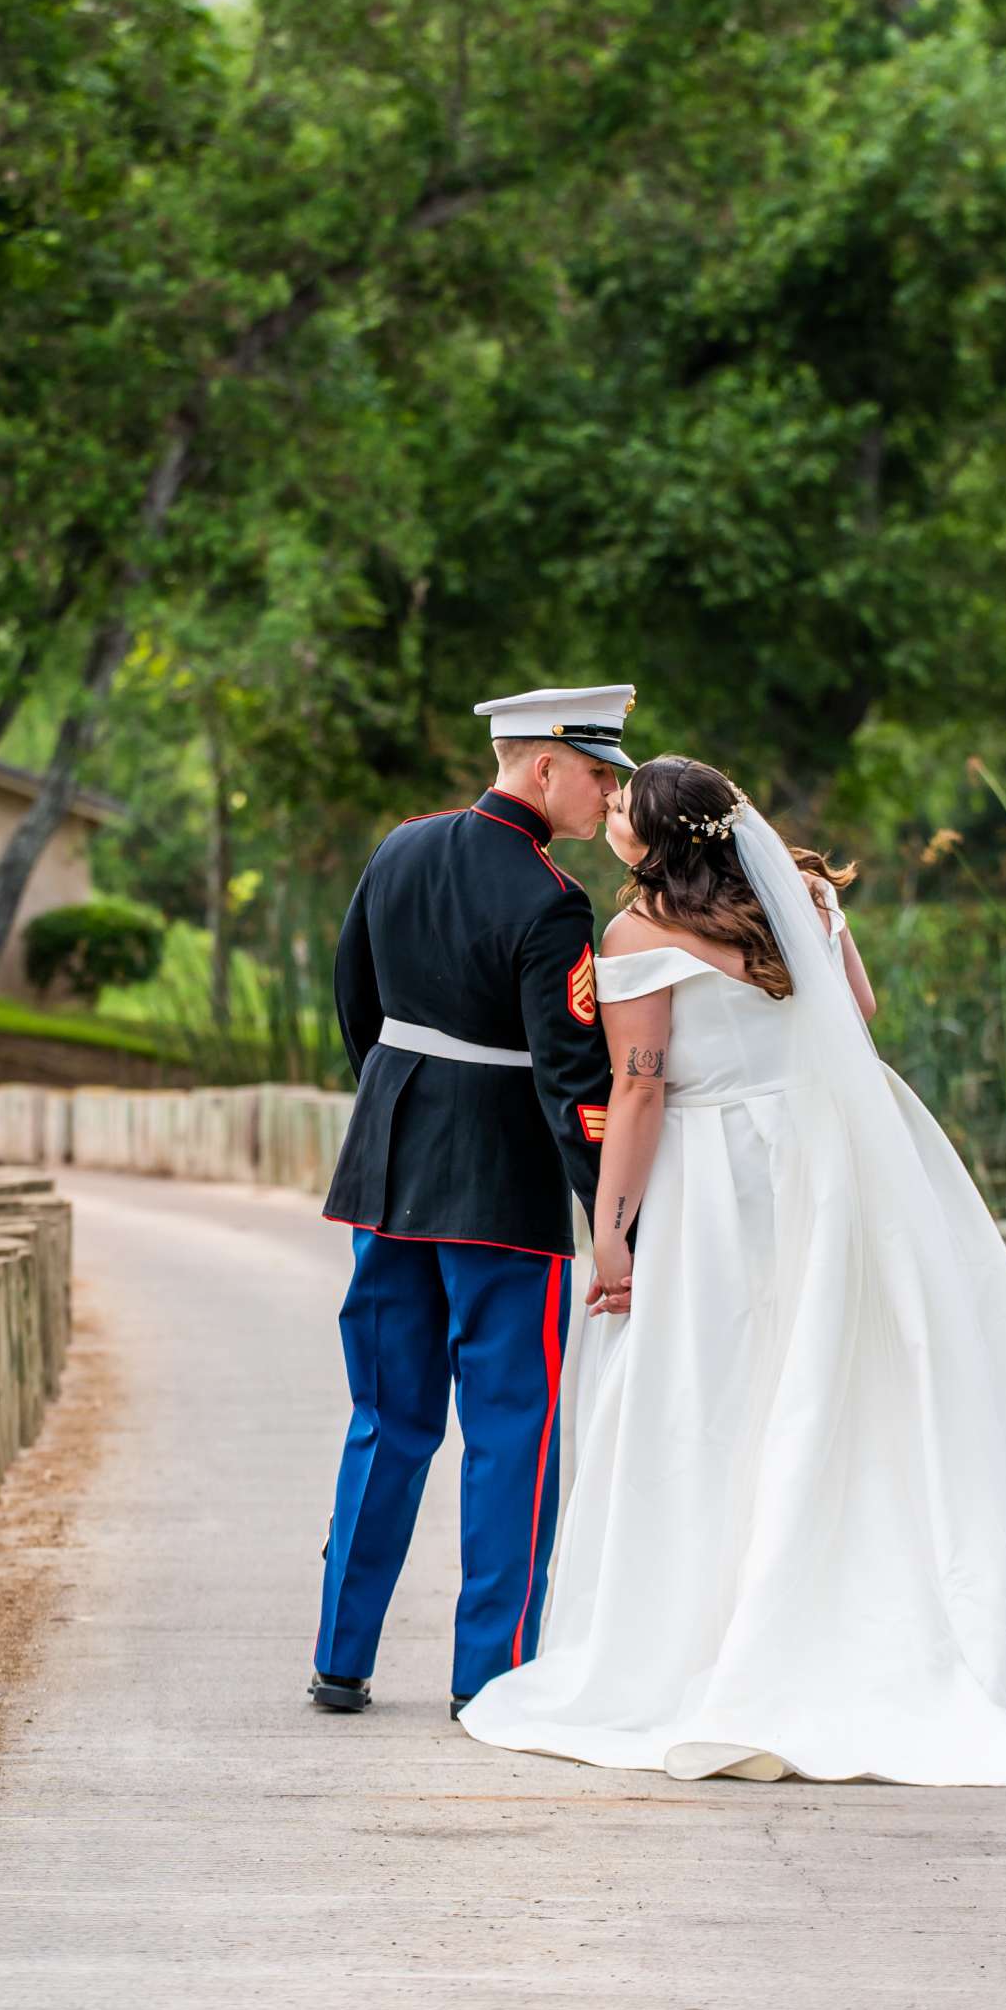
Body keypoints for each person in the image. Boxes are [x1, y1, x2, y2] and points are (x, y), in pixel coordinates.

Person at [459, 755, 1006, 1784]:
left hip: (718, 1179)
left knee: (722, 1391)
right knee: (847, 1383)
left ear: (655, 840)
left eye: (619, 809)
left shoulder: (637, 936)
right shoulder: (813, 900)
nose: (605, 815)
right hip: (832, 1162)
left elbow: (641, 1096)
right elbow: (856, 1015)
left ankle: (725, 1635)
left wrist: (612, 1231)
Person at [311, 684, 638, 1721]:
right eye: (597, 772)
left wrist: (399, 1107)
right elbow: (575, 1079)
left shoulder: (399, 849)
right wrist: (610, 1219)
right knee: (512, 1429)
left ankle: (341, 1657)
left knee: (387, 1417)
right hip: (500, 1185)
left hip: (388, 1167)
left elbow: (354, 1001)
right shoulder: (552, 900)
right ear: (543, 767)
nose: (609, 791)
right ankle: (488, 1676)